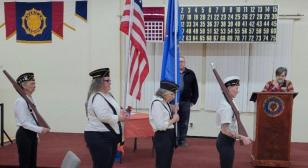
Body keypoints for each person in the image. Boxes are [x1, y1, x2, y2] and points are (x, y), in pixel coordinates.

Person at [84, 68, 127, 168]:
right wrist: (119, 118)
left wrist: (122, 111)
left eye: (110, 80)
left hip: (107, 135)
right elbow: (103, 116)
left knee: (107, 164)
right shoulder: (97, 96)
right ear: (99, 82)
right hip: (98, 135)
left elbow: (113, 110)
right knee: (101, 164)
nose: (110, 83)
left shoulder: (108, 95)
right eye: (107, 80)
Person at [14, 72, 50, 168]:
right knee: (25, 163)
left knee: (32, 163)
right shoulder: (21, 101)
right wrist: (40, 129)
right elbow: (24, 122)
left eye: (34, 83)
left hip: (31, 133)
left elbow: (32, 118)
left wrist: (36, 135)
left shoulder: (29, 98)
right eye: (32, 83)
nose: (35, 86)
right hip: (24, 134)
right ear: (24, 86)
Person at [216, 76, 252, 168]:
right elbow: (226, 130)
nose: (238, 91)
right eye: (236, 88)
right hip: (225, 141)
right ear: (228, 88)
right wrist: (242, 137)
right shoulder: (226, 106)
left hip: (228, 141)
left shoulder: (231, 101)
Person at [149, 80, 180, 168]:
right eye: (172, 94)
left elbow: (165, 112)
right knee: (162, 163)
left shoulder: (164, 102)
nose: (173, 97)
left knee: (167, 162)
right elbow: (160, 125)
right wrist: (173, 120)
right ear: (164, 93)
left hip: (168, 135)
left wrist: (173, 108)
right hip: (162, 136)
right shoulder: (156, 104)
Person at [177, 56, 199, 146]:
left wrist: (193, 101)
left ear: (185, 62)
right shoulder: (173, 73)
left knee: (184, 122)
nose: (180, 63)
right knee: (174, 121)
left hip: (186, 102)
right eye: (178, 62)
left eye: (182, 61)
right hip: (174, 102)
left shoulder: (190, 73)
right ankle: (175, 139)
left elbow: (195, 88)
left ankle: (182, 140)